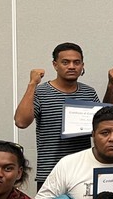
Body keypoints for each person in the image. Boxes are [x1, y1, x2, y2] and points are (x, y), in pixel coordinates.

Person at [14, 42, 100, 186]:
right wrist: (32, 84)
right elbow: (21, 122)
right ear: (55, 65)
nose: (71, 66)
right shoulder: (41, 91)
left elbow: (101, 127)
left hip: (82, 173)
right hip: (50, 173)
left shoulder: (89, 92)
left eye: (76, 62)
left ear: (82, 65)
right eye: (65, 62)